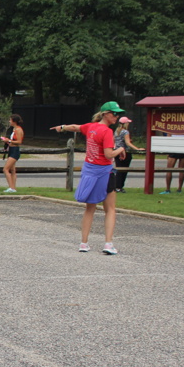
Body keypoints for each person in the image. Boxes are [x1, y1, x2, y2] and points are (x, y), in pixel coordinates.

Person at [51, 101, 126, 254]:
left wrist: (62, 127)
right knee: (110, 209)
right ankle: (108, 243)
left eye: (118, 114)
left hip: (90, 171)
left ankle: (84, 243)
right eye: (114, 113)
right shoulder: (107, 132)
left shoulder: (91, 127)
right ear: (105, 114)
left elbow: (75, 127)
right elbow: (109, 154)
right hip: (104, 172)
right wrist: (121, 149)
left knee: (89, 208)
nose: (116, 117)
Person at [113, 116, 143, 192]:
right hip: (125, 152)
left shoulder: (116, 131)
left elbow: (115, 141)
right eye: (128, 122)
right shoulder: (125, 132)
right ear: (125, 123)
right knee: (124, 170)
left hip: (117, 152)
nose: (129, 124)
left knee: (119, 169)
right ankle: (120, 186)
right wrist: (137, 149)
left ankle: (117, 186)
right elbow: (127, 143)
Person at [0, 114, 24, 193]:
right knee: (12, 170)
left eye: (10, 120)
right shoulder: (14, 129)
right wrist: (8, 141)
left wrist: (9, 140)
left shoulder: (18, 130)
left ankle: (11, 187)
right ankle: (13, 187)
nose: (9, 121)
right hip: (11, 149)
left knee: (5, 169)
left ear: (14, 121)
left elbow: (19, 142)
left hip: (15, 150)